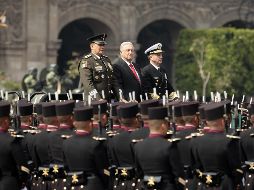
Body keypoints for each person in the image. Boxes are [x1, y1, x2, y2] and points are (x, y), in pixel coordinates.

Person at [193, 103, 243, 189]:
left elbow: (196, 168)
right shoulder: (229, 141)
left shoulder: (197, 141)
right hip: (226, 185)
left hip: (205, 186)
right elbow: (237, 170)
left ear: (207, 122)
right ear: (223, 120)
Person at [134, 106, 185, 190]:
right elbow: (178, 174)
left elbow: (139, 173)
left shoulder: (138, 146)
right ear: (163, 125)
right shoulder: (169, 146)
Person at [63, 106, 109, 190]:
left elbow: (66, 166)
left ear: (74, 123)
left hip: (73, 184)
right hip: (93, 185)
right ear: (90, 123)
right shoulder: (95, 144)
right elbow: (102, 170)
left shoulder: (66, 143)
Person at [0, 101, 30, 190]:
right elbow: (23, 168)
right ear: (5, 121)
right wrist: (22, 180)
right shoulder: (12, 141)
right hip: (9, 185)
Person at [78, 33, 114, 101]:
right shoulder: (87, 61)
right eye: (100, 45)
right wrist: (98, 98)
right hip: (93, 101)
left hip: (107, 99)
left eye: (103, 45)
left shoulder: (106, 60)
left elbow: (111, 80)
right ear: (92, 46)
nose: (102, 47)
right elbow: (87, 83)